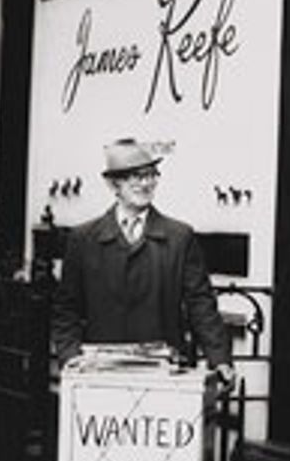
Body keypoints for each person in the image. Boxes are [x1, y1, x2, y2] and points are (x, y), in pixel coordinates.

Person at [51, 138, 236, 390]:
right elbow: (66, 310)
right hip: (100, 376)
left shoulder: (180, 237)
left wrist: (220, 359)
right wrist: (70, 356)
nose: (145, 183)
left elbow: (200, 303)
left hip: (163, 376)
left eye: (150, 175)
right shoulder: (83, 240)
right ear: (113, 184)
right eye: (134, 177)